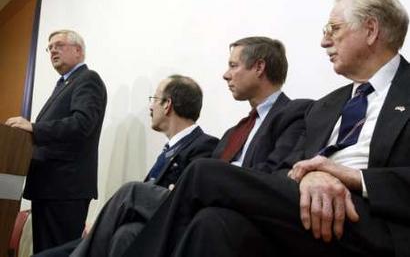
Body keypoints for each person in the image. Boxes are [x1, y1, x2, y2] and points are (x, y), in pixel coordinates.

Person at [123, 0, 410, 257]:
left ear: (370, 30)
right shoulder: (325, 106)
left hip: (373, 220)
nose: (324, 41)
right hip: (307, 208)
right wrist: (312, 174)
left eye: (333, 29)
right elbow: (285, 169)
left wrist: (355, 178)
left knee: (202, 173)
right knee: (212, 223)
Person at [36, 36, 312, 257]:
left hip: (229, 209)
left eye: (233, 65)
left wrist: (206, 186)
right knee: (126, 232)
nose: (226, 75)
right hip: (196, 202)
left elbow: (275, 175)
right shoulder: (233, 133)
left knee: (131, 193)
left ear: (259, 67)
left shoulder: (295, 113)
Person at [33, 74, 219, 257]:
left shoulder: (204, 146)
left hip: (165, 236)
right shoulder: (170, 149)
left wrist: (107, 223)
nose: (150, 106)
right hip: (137, 232)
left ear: (167, 104)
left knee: (130, 200)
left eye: (154, 99)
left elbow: (182, 202)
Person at [5, 30, 107, 253]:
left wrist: (33, 127)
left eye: (59, 45)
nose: (53, 51)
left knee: (57, 252)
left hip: (65, 189)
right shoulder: (64, 84)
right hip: (49, 187)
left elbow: (82, 124)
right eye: (49, 47)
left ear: (78, 50)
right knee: (45, 252)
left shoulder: (88, 80)